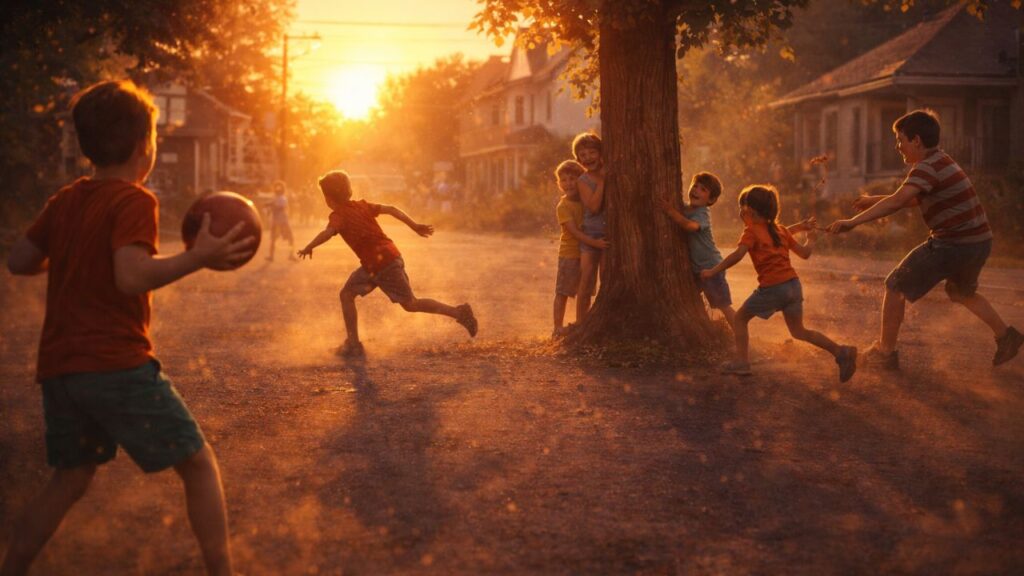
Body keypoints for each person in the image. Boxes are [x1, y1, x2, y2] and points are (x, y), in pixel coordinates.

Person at [2, 80, 254, 576]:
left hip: (61, 371)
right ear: (146, 146)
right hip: (114, 365)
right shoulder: (135, 200)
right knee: (198, 465)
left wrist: (74, 257)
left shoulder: (67, 199)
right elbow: (131, 275)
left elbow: (19, 260)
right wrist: (197, 257)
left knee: (70, 478)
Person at [827, 108, 1022, 368]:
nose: (898, 146)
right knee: (961, 292)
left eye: (901, 140)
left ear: (916, 140)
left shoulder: (926, 167)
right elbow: (913, 198)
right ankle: (1006, 335)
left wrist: (852, 223)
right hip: (979, 242)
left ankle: (885, 353)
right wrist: (873, 200)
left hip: (952, 244)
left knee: (895, 285)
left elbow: (898, 201)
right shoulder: (941, 161)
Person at [298, 170, 477, 356]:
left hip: (381, 265)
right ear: (349, 191)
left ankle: (460, 313)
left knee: (411, 304)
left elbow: (328, 232)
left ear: (328, 198)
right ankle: (353, 344)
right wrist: (414, 226)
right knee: (347, 294)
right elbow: (391, 209)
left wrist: (310, 246)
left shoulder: (338, 215)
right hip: (382, 261)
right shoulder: (362, 206)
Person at [702, 185, 857, 381]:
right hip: (793, 286)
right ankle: (841, 352)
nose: (740, 212)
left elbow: (738, 255)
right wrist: (809, 237)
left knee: (740, 319)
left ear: (750, 211)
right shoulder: (780, 230)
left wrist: (714, 271)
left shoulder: (750, 232)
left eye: (742, 207)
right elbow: (805, 253)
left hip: (773, 288)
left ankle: (741, 362)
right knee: (799, 331)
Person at [658, 171, 736, 328]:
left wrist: (670, 211)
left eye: (703, 190)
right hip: (697, 270)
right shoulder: (686, 208)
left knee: (723, 305)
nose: (696, 190)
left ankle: (740, 332)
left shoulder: (702, 213)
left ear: (711, 200)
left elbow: (690, 226)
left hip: (712, 268)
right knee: (688, 297)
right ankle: (701, 325)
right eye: (695, 186)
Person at [553, 160, 609, 337]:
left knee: (585, 290)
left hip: (587, 253)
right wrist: (596, 244)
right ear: (558, 183)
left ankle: (582, 322)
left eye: (572, 179)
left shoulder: (586, 202)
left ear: (581, 180)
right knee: (563, 292)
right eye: (563, 180)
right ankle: (557, 327)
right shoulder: (563, 206)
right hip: (570, 254)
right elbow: (575, 233)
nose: (568, 183)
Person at [573, 132, 606, 323]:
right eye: (583, 155)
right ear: (578, 159)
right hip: (591, 234)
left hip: (609, 235)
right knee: (586, 281)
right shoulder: (583, 181)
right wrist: (602, 181)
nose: (588, 158)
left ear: (600, 153)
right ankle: (580, 322)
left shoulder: (612, 172)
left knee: (607, 279)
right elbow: (593, 207)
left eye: (592, 152)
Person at [265, 180, 296, 262]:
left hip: (281, 221)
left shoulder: (280, 198)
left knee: (287, 239)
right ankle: (290, 255)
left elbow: (280, 207)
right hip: (281, 221)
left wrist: (271, 205)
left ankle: (289, 255)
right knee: (288, 239)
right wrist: (270, 206)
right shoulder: (279, 198)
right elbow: (278, 208)